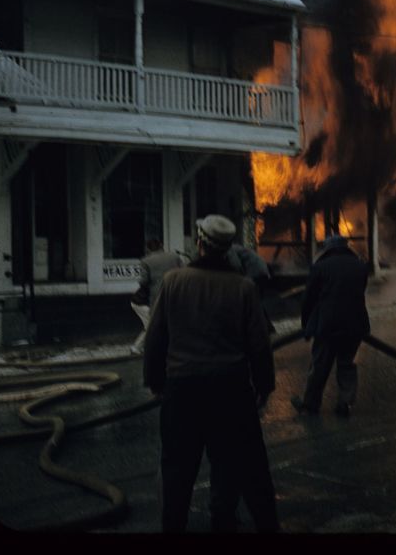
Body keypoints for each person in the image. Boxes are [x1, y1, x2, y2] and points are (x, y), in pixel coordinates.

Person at [143, 214, 279, 533]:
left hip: (182, 391)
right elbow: (259, 345)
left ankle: (173, 525)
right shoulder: (244, 288)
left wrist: (155, 382)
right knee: (231, 462)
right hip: (231, 391)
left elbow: (156, 338)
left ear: (200, 244)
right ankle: (224, 519)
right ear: (227, 248)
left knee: (177, 467)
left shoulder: (173, 282)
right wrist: (264, 385)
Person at [291, 235, 371, 417]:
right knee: (346, 364)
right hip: (355, 325)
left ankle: (310, 406)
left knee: (320, 366)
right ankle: (345, 403)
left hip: (327, 326)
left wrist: (306, 325)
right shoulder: (360, 266)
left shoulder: (320, 267)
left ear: (328, 249)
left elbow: (308, 299)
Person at [129, 239, 186, 355]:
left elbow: (143, 281)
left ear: (148, 249)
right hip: (173, 293)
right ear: (162, 246)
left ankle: (139, 347)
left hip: (154, 297)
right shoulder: (174, 256)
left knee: (154, 324)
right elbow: (184, 272)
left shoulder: (146, 260)